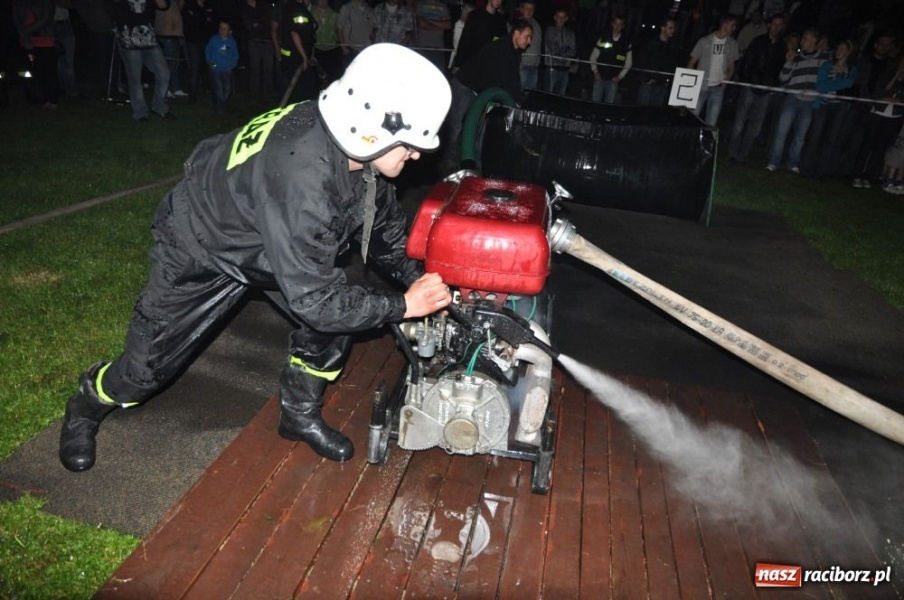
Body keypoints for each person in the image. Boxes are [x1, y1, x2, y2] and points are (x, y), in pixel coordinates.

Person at [58, 43, 454, 473]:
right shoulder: (306, 177)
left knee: (334, 327)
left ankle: (297, 414)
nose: (417, 154)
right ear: (370, 130)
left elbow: (383, 229)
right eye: (410, 144)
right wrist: (403, 305)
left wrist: (423, 278)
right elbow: (317, 301)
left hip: (266, 240)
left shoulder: (351, 146)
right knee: (143, 372)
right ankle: (87, 401)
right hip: (201, 244)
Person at [444, 19, 533, 170]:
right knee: (456, 126)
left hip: (485, 91)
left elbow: (513, 79)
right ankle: (447, 161)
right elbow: (495, 79)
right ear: (516, 33)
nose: (529, 41)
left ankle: (476, 163)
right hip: (465, 85)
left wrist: (518, 103)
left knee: (482, 128)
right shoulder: (499, 48)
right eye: (527, 36)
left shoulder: (515, 53)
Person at [765, 27, 827, 172]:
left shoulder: (823, 59)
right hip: (792, 98)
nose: (802, 41)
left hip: (809, 102)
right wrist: (788, 62)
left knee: (800, 136)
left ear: (814, 40)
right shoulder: (796, 57)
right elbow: (783, 78)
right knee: (781, 132)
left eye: (805, 38)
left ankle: (793, 163)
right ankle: (774, 161)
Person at [727, 13, 786, 163]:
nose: (776, 28)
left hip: (766, 90)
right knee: (740, 122)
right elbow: (746, 63)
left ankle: (743, 154)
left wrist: (771, 84)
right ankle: (733, 153)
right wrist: (749, 81)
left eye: (779, 25)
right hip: (751, 86)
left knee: (755, 126)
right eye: (774, 24)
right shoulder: (759, 41)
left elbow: (779, 68)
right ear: (769, 25)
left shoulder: (782, 46)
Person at [798, 39, 857, 178]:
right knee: (815, 137)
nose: (839, 52)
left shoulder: (852, 69)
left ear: (848, 52)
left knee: (832, 139)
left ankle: (821, 171)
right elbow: (820, 86)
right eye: (838, 49)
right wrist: (839, 84)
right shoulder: (827, 65)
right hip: (823, 105)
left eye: (843, 49)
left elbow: (850, 84)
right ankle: (806, 167)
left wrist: (841, 78)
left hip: (840, 108)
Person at [109, 0, 175, 121]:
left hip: (148, 38)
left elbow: (164, 6)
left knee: (164, 73)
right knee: (135, 78)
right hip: (129, 38)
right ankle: (140, 112)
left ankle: (159, 106)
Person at [687, 13, 740, 126]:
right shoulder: (704, 41)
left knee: (711, 124)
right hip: (701, 87)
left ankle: (707, 143)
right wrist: (691, 84)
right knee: (691, 120)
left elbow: (731, 67)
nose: (734, 28)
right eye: (732, 25)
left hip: (718, 90)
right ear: (724, 24)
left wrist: (724, 85)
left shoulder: (732, 44)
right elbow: (691, 63)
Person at [12, 0, 59, 109]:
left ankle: (52, 99)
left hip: (45, 38)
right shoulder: (19, 3)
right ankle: (41, 97)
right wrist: (24, 35)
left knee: (49, 70)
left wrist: (28, 30)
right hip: (28, 40)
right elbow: (17, 19)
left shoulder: (45, 2)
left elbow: (46, 18)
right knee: (36, 70)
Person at [277, 0, 318, 103]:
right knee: (296, 90)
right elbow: (294, 33)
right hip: (294, 59)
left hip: (299, 57)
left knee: (302, 88)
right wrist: (304, 57)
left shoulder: (302, 9)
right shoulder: (294, 9)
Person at [634, 16, 678, 107]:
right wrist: (646, 78)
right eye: (670, 28)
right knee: (642, 110)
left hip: (661, 84)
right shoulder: (651, 44)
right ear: (663, 28)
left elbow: (671, 65)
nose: (673, 30)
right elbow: (641, 61)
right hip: (649, 83)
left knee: (655, 112)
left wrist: (667, 80)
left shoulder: (670, 47)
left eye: (674, 28)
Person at [451, 0, 507, 71]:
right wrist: (458, 63)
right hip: (473, 61)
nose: (498, 1)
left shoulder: (500, 20)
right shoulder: (475, 15)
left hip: (490, 63)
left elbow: (503, 42)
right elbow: (465, 40)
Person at [589, 13, 632, 104]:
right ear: (612, 24)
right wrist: (595, 71)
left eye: (620, 25)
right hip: (599, 77)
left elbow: (628, 63)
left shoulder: (626, 43)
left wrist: (620, 76)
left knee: (608, 106)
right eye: (615, 24)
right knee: (594, 104)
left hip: (613, 81)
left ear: (623, 26)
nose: (617, 27)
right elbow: (593, 56)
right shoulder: (603, 39)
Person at [243, 0, 276, 103]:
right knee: (255, 70)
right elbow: (250, 26)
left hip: (267, 41)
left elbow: (268, 20)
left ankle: (268, 95)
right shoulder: (245, 8)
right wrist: (257, 22)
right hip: (254, 42)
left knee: (268, 70)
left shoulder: (264, 5)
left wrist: (259, 22)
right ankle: (254, 96)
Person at [156, 0, 188, 98]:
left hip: (176, 34)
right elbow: (162, 6)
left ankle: (175, 88)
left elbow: (180, 7)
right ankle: (165, 89)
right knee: (168, 64)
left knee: (175, 63)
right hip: (166, 34)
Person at [205, 19, 238, 112]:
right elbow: (208, 51)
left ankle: (224, 102)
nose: (222, 31)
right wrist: (212, 63)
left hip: (227, 69)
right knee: (218, 87)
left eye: (225, 29)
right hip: (216, 69)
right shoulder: (214, 39)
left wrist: (231, 65)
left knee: (228, 88)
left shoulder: (232, 42)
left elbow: (235, 55)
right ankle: (220, 106)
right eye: (221, 28)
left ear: (230, 31)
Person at [544, 7, 576, 96]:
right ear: (555, 17)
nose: (561, 19)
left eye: (563, 17)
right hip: (552, 68)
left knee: (561, 96)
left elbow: (573, 51)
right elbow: (553, 50)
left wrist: (561, 54)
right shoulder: (549, 30)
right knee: (548, 95)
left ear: (566, 18)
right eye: (559, 17)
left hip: (565, 70)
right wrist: (565, 52)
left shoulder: (570, 33)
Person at [415, 0, 452, 74]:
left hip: (439, 48)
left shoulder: (443, 6)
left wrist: (431, 21)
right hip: (422, 46)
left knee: (438, 73)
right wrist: (439, 26)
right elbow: (422, 24)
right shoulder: (420, 4)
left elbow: (448, 25)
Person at [311, 0, 341, 84]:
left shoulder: (335, 14)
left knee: (332, 76)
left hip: (331, 49)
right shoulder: (311, 13)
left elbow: (338, 30)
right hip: (316, 49)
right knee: (317, 77)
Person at [337, 0, 374, 67]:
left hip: (366, 49)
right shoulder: (346, 8)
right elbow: (339, 28)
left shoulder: (370, 10)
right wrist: (343, 47)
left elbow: (373, 28)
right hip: (351, 48)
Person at [517, 0, 542, 91]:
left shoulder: (537, 25)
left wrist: (538, 62)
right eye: (527, 8)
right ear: (521, 9)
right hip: (521, 65)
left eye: (531, 9)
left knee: (531, 94)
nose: (529, 11)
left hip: (534, 66)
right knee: (519, 92)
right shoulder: (516, 24)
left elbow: (538, 45)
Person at [449, 3, 475, 70]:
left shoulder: (473, 26)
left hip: (467, 58)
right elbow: (456, 43)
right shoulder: (457, 23)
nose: (467, 14)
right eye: (466, 11)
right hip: (458, 56)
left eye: (469, 12)